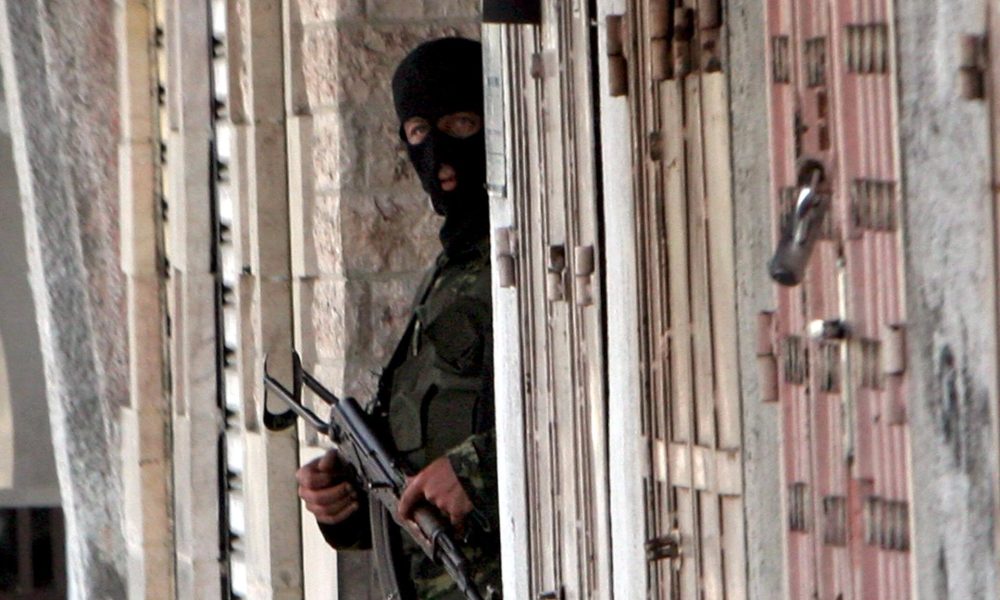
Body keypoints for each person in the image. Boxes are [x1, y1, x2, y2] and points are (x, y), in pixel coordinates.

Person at [295, 37, 500, 600]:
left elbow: (584, 407)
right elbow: (421, 458)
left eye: (460, 124)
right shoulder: (450, 273)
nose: (438, 155)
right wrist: (348, 499)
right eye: (417, 134)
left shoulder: (527, 259)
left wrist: (477, 471)